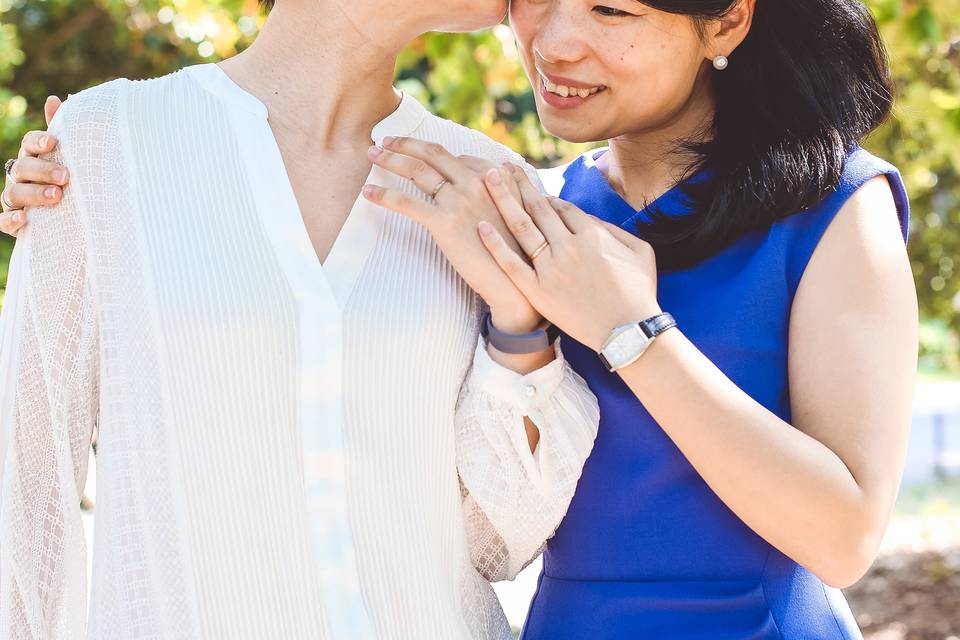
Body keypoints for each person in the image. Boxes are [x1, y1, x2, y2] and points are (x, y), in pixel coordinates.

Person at [0, 0, 601, 637]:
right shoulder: (105, 141)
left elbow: (496, 541)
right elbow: (27, 495)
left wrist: (517, 321)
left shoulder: (486, 180)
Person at [362, 0, 918, 638]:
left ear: (727, 22)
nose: (555, 43)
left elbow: (843, 540)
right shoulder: (536, 212)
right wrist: (518, 320)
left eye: (611, 10)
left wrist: (631, 329)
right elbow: (494, 531)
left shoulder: (836, 207)